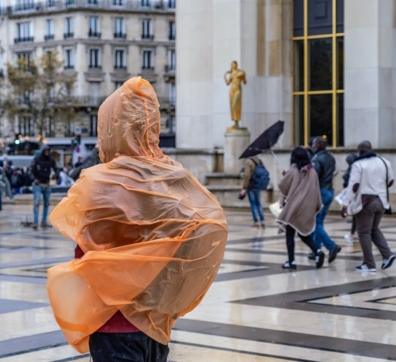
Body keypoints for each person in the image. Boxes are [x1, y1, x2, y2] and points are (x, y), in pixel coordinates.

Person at [46, 77, 228, 361]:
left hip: (113, 324)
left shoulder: (100, 183)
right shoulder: (173, 178)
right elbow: (209, 225)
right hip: (156, 322)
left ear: (112, 130)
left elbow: (88, 252)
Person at [341, 141, 396, 272]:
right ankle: (387, 255)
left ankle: (369, 265)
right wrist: (378, 187)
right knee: (374, 229)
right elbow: (391, 181)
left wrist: (345, 205)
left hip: (366, 202)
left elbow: (353, 186)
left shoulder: (358, 164)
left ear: (359, 151)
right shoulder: (384, 162)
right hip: (381, 201)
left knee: (364, 232)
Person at [277, 147, 324, 269]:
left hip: (294, 207)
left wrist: (284, 175)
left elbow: (283, 186)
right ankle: (317, 251)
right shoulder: (312, 170)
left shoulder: (293, 170)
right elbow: (314, 188)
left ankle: (291, 261)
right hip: (306, 206)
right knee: (303, 233)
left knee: (290, 234)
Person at [308, 137, 342, 263]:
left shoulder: (317, 158)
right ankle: (316, 250)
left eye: (313, 144)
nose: (312, 146)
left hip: (320, 192)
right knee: (319, 222)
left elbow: (313, 177)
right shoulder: (330, 157)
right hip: (329, 191)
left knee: (314, 223)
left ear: (317, 145)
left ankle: (331, 246)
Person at [30, 145, 59, 229]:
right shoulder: (37, 159)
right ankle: (35, 222)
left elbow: (56, 168)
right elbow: (31, 170)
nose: (47, 152)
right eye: (45, 151)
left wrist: (56, 175)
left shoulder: (51, 159)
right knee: (37, 202)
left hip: (46, 183)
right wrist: (34, 179)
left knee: (46, 203)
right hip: (38, 184)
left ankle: (43, 221)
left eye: (48, 151)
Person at [239, 156, 266, 228]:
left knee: (253, 204)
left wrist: (244, 187)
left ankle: (256, 221)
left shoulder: (249, 162)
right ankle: (262, 220)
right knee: (259, 203)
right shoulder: (260, 161)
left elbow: (247, 176)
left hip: (251, 186)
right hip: (258, 185)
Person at [224, 60, 247, 129]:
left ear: (236, 65)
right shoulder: (231, 74)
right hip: (232, 90)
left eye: (233, 65)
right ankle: (236, 123)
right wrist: (225, 76)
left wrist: (244, 77)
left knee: (235, 105)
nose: (233, 66)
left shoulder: (240, 73)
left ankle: (237, 122)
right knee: (232, 106)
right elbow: (227, 83)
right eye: (232, 65)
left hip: (238, 90)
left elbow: (245, 82)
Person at [342, 153, 358, 243]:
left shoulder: (353, 168)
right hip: (360, 196)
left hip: (354, 196)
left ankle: (351, 235)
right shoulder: (357, 167)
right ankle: (352, 234)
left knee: (356, 216)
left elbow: (348, 183)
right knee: (356, 216)